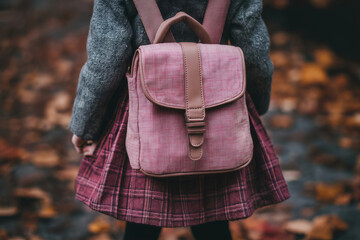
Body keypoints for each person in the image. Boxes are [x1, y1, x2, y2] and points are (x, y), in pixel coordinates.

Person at [68, 0, 290, 239]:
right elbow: (255, 56)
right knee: (214, 225)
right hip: (217, 109)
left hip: (145, 115)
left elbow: (106, 61)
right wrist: (256, 105)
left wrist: (86, 124)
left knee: (141, 226)